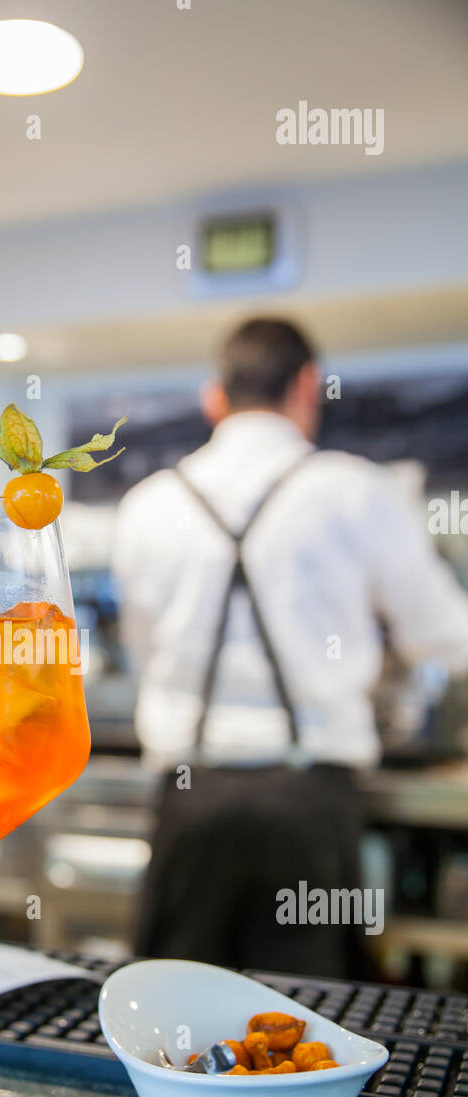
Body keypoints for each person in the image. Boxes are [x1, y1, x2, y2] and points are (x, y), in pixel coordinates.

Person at [113, 317, 468, 978]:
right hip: (309, 801)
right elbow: (445, 635)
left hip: (191, 795)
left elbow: (143, 647)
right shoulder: (356, 489)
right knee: (312, 1018)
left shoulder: (147, 505)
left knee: (175, 1013)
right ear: (308, 386)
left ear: (213, 397)